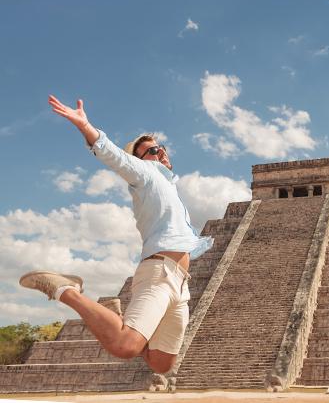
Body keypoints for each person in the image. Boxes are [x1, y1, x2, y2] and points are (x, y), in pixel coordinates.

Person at [19, 95, 213, 374]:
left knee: (161, 364)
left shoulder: (168, 185)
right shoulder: (145, 173)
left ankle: (113, 314)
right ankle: (66, 290)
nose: (162, 153)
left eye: (163, 149)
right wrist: (86, 127)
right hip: (160, 272)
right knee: (125, 345)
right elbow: (115, 156)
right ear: (142, 159)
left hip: (181, 284)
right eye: (154, 150)